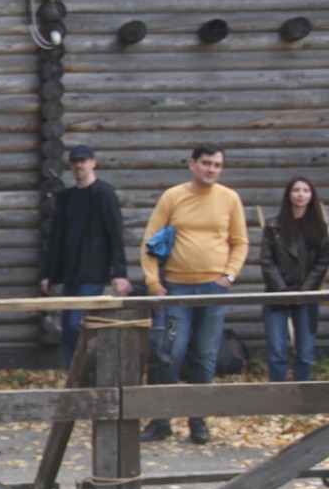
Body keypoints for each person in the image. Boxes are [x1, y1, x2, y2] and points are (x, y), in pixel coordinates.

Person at [139, 144, 248, 445]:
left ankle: (198, 421)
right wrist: (153, 282)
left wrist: (229, 275)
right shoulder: (173, 197)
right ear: (192, 165)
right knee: (171, 352)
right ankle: (161, 420)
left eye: (217, 165)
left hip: (213, 291)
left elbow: (240, 242)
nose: (211, 169)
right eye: (206, 163)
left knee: (205, 354)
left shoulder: (229, 199)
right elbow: (149, 240)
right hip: (177, 291)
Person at [39, 144, 133, 367]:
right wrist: (48, 274)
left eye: (83, 161)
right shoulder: (67, 197)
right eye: (75, 162)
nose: (78, 166)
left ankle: (89, 370)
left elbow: (115, 234)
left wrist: (119, 273)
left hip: (93, 273)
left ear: (93, 163)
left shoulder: (103, 194)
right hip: (70, 273)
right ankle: (75, 374)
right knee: (67, 328)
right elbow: (57, 239)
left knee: (76, 323)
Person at [260, 177, 329, 382]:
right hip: (277, 292)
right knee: (276, 351)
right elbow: (267, 261)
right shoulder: (273, 225)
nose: (300, 194)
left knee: (305, 352)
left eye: (305, 191)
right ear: (288, 194)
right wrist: (282, 291)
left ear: (311, 196)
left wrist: (304, 292)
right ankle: (278, 393)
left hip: (307, 294)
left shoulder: (320, 227)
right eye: (296, 190)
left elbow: (322, 262)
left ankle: (302, 395)